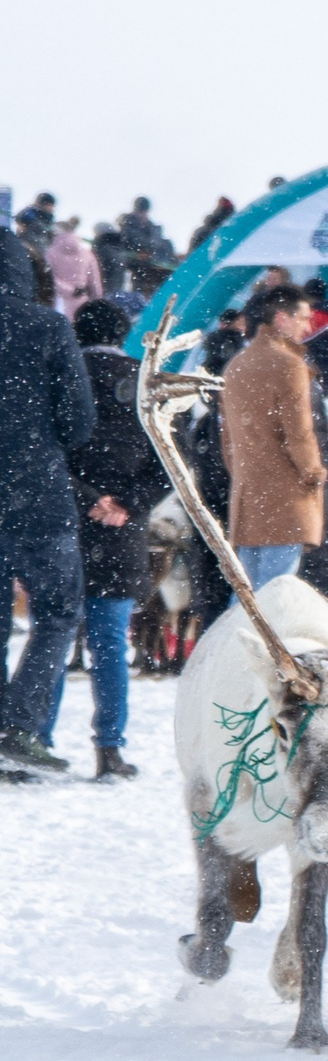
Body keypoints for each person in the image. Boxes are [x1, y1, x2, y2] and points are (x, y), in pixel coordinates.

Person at [0, 235, 96, 771]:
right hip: (38, 497)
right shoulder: (47, 327)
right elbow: (79, 424)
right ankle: (17, 724)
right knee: (57, 613)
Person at [64, 298, 161, 768]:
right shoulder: (143, 379)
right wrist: (127, 504)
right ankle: (109, 747)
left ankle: (34, 735)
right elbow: (167, 460)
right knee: (109, 643)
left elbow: (45, 450)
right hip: (123, 532)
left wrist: (87, 499)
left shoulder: (61, 373)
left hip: (66, 523)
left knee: (54, 634)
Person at [218, 285, 327, 591]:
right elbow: (299, 433)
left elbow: (227, 440)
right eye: (303, 318)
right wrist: (314, 474)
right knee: (276, 594)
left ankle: (236, 640)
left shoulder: (236, 365)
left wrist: (244, 473)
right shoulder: (288, 364)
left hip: (248, 495)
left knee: (247, 597)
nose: (308, 327)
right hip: (286, 496)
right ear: (281, 318)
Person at [47, 222, 103, 318]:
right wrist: (98, 302)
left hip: (57, 301)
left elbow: (49, 278)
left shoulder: (49, 253)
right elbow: (95, 282)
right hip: (82, 301)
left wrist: (68, 290)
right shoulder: (87, 253)